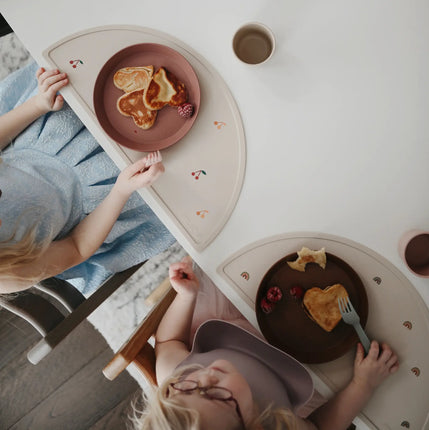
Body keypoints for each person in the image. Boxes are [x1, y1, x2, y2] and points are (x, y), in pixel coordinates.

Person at [133, 256, 399, 430]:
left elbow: (169, 341)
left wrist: (186, 297)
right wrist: (363, 384)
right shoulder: (275, 425)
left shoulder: (175, 374)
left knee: (230, 259)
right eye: (220, 397)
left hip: (226, 325)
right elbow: (320, 427)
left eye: (186, 389)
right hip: (293, 371)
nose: (207, 377)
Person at [0, 62, 175, 295]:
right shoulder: (9, 274)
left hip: (44, 132)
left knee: (105, 75)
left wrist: (38, 104)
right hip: (100, 193)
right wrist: (122, 190)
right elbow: (77, 246)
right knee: (169, 143)